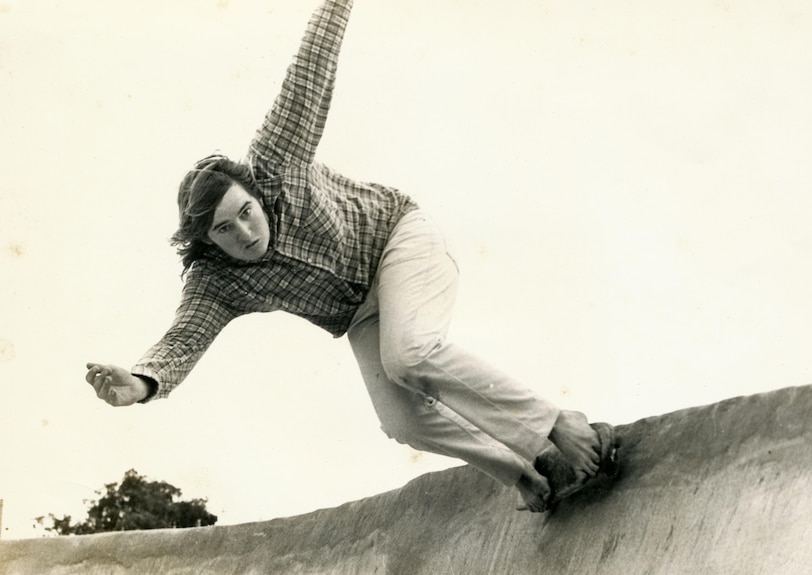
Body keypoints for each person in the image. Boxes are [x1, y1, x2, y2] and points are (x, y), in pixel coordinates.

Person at [85, 0, 616, 513]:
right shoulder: (215, 281)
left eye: (245, 212)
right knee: (400, 421)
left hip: (400, 240)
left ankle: (558, 423)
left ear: (252, 192)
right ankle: (528, 469)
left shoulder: (275, 160)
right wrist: (142, 383)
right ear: (208, 243)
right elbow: (185, 336)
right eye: (225, 230)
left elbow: (311, 66)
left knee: (408, 356)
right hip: (360, 311)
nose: (245, 233)